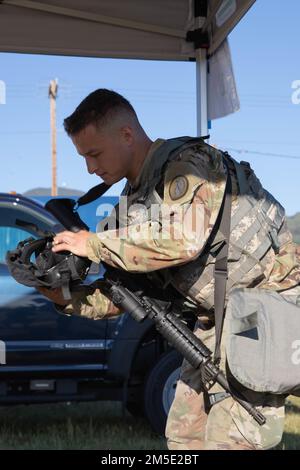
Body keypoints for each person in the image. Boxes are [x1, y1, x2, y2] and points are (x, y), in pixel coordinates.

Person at [39, 89, 300, 450]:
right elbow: (125, 293)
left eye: (94, 154)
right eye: (84, 157)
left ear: (126, 135)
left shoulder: (189, 163)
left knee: (233, 442)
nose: (90, 168)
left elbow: (184, 238)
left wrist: (95, 244)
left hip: (259, 318)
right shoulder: (131, 204)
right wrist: (66, 297)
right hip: (212, 328)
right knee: (184, 439)